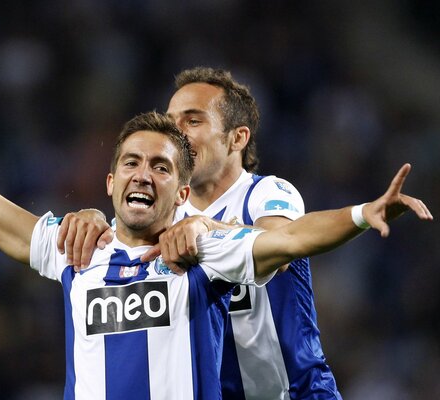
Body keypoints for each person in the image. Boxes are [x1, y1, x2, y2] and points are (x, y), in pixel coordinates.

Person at [0, 37, 433, 400]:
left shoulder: (222, 231)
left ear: (180, 191)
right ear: (108, 183)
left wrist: (361, 212)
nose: (143, 173)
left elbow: (288, 238)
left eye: (162, 162)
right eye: (130, 163)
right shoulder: (79, 249)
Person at [53, 68, 415, 399]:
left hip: (291, 392)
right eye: (172, 120)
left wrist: (361, 214)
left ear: (237, 138)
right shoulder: (164, 210)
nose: (177, 131)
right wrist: (91, 216)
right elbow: (120, 245)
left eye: (193, 120)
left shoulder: (267, 194)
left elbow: (283, 242)